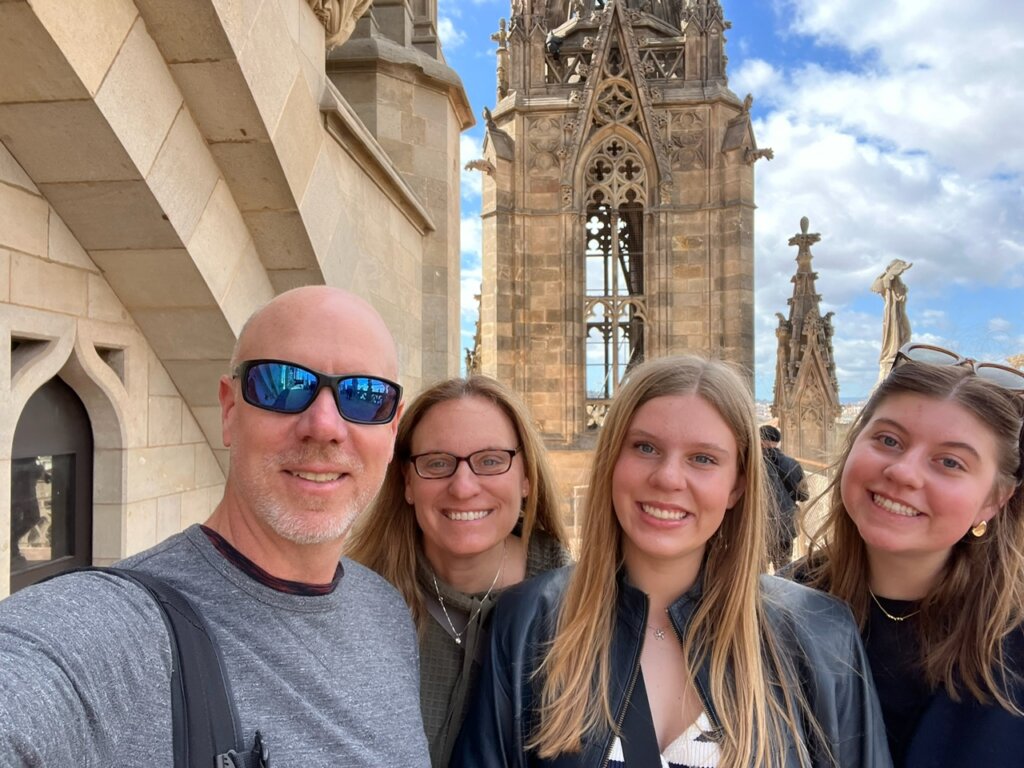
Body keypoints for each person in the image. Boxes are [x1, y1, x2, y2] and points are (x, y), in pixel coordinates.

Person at [0, 286, 430, 766]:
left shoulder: (388, 613)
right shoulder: (115, 634)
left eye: (364, 395)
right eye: (283, 384)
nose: (325, 425)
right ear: (229, 411)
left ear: (391, 431)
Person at [452, 355, 891, 768]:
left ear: (736, 486)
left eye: (703, 459)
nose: (667, 477)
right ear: (611, 462)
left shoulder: (819, 632)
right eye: (645, 448)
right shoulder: (530, 619)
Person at [798, 342, 1024, 767]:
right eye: (888, 439)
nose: (902, 472)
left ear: (994, 501)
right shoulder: (772, 612)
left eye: (950, 462)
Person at [346, 375, 572, 767]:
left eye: (490, 461)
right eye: (437, 463)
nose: (463, 487)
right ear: (408, 483)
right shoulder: (355, 606)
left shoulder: (583, 609)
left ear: (526, 478)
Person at [760, 424, 809, 569]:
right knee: (783, 573)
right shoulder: (792, 464)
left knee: (758, 575)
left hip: (761, 529)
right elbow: (804, 496)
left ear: (760, 440)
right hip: (786, 526)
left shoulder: (750, 464)